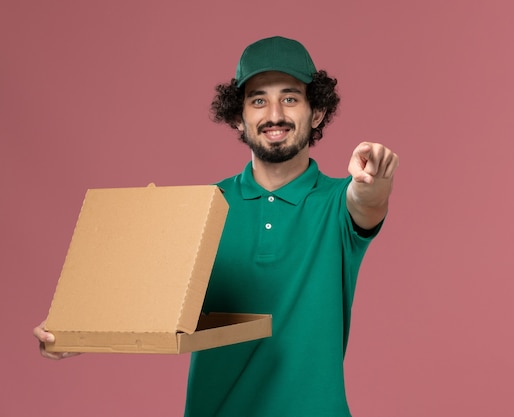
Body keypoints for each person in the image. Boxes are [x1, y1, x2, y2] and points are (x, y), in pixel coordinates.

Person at [34, 35, 399, 416]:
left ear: (317, 112)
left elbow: (367, 203)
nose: (274, 113)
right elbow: (142, 300)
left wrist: (374, 180)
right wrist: (75, 330)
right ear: (239, 118)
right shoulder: (202, 208)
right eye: (258, 100)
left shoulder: (338, 202)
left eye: (290, 98)